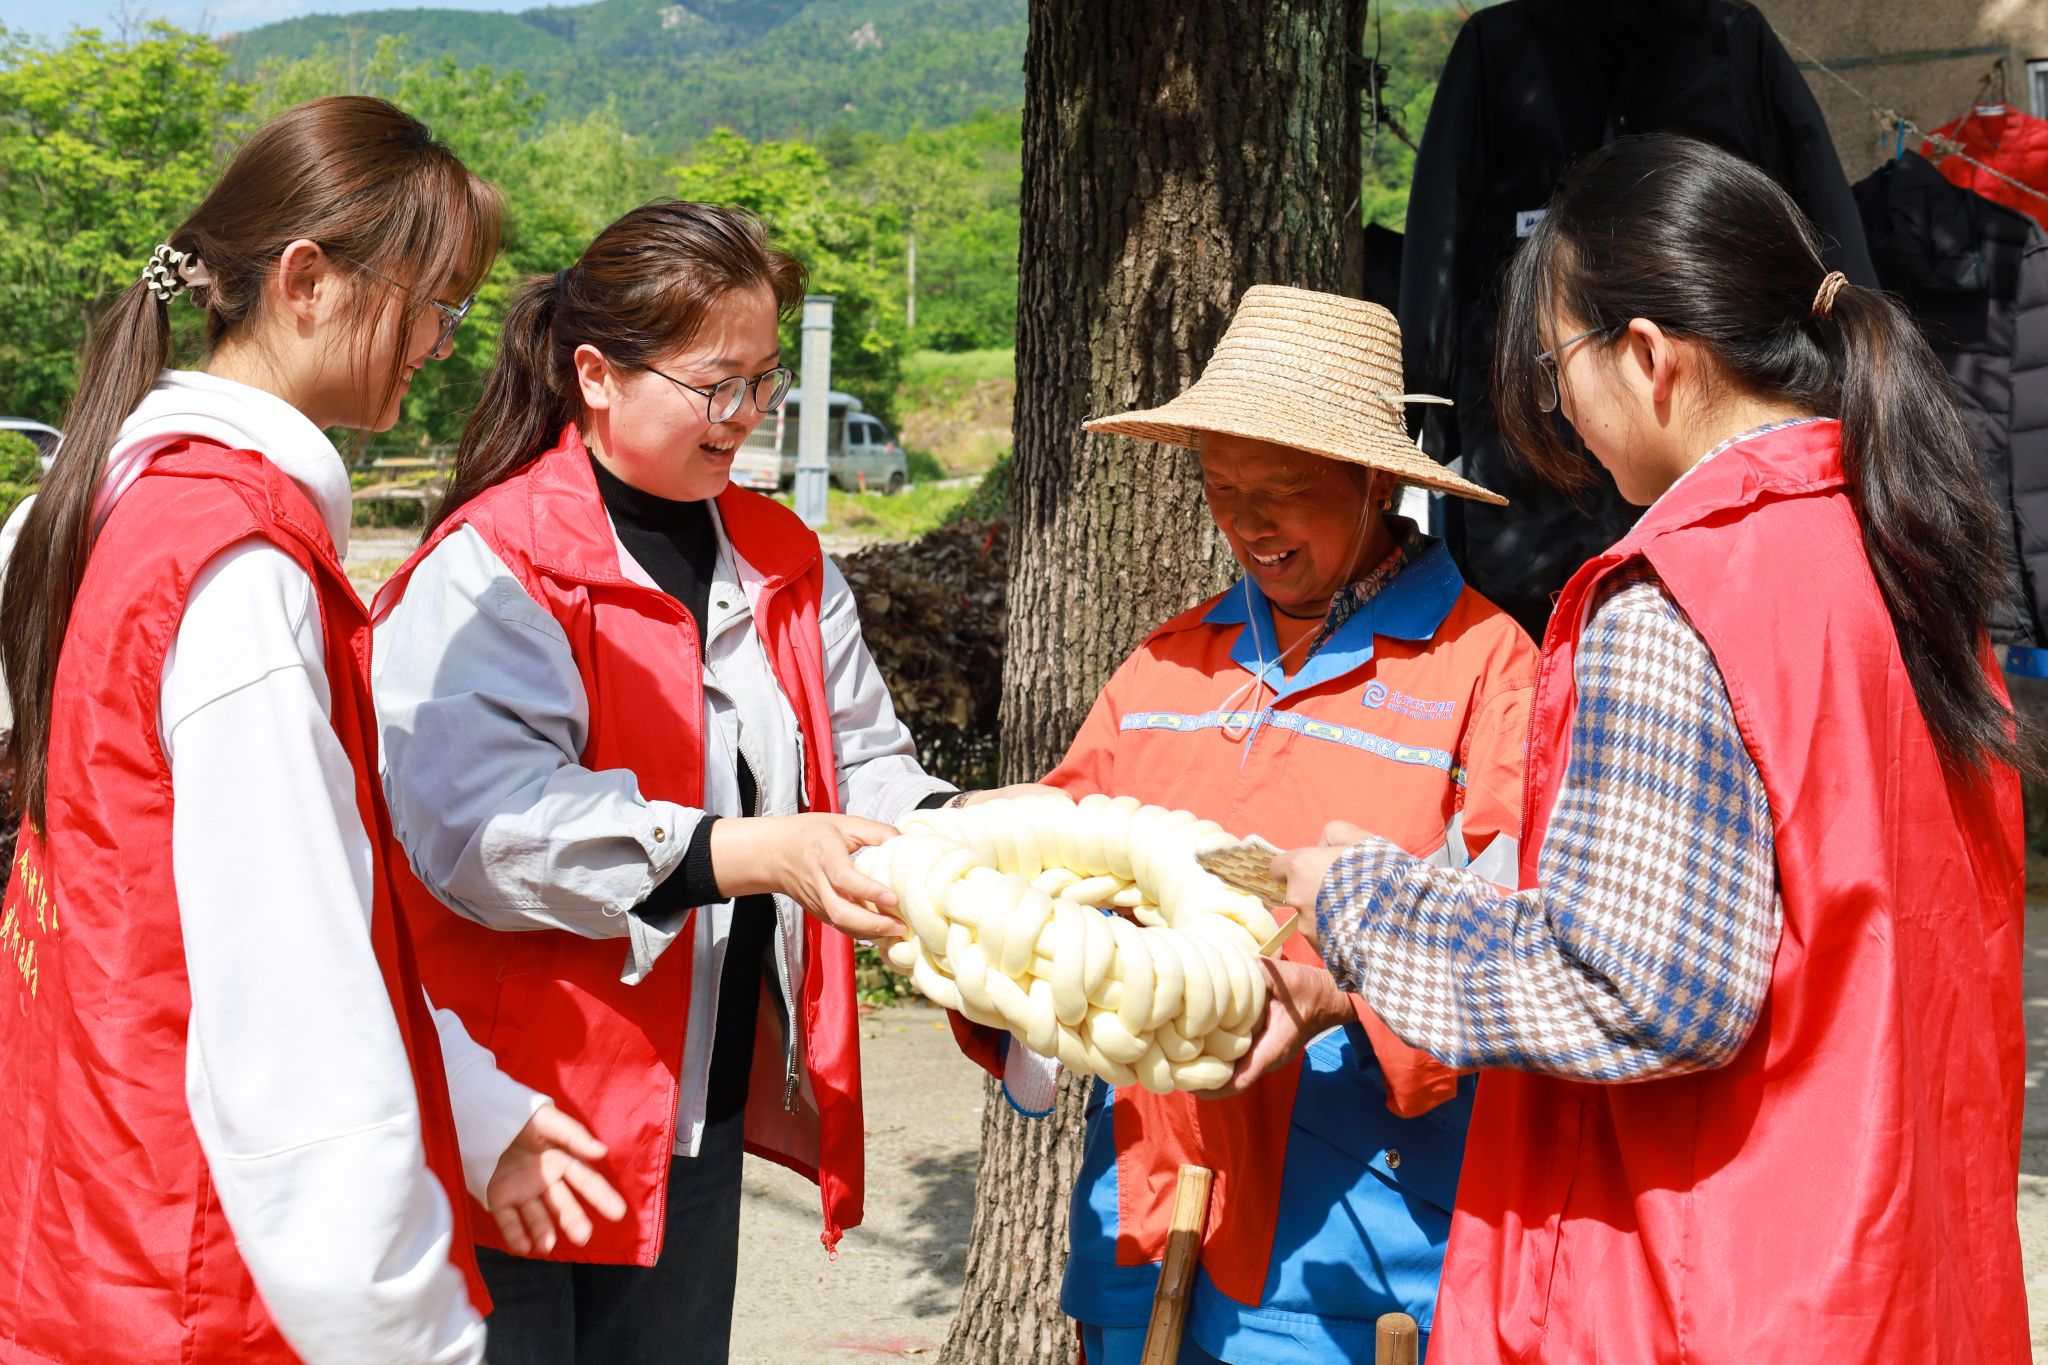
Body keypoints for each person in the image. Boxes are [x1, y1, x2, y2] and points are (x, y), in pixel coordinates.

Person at [1272, 134, 2029, 1363]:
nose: (1557, 408)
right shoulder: (1903, 553)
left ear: (1644, 354)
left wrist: (1361, 903)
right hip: (1890, 1274)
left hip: (1706, 1291)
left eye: (1554, 364)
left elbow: (1637, 989)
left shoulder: (1678, 592)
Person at [0, 97, 622, 1365]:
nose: (440, 342)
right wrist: (404, 1325)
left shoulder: (95, 502)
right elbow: (289, 995)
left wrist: (466, 1100)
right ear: (305, 281)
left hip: (85, 1215)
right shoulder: (238, 568)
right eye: (435, 303)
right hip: (207, 1274)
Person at [373, 199, 1030, 1364]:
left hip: (691, 1111)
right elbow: (483, 831)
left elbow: (860, 764)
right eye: (715, 386)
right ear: (595, 375)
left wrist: (959, 827)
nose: (747, 417)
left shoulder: (783, 560)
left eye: (762, 381)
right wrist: (751, 852)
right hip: (518, 1112)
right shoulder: (493, 565)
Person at [948, 285, 1537, 1362]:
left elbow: (1516, 936)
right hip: (1139, 1205)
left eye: (1283, 492)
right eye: (1222, 488)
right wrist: (976, 897)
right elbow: (1058, 858)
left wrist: (1336, 995)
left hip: (1356, 1239)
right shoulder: (1167, 664)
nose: (1247, 523)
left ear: (1376, 482)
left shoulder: (1485, 668)